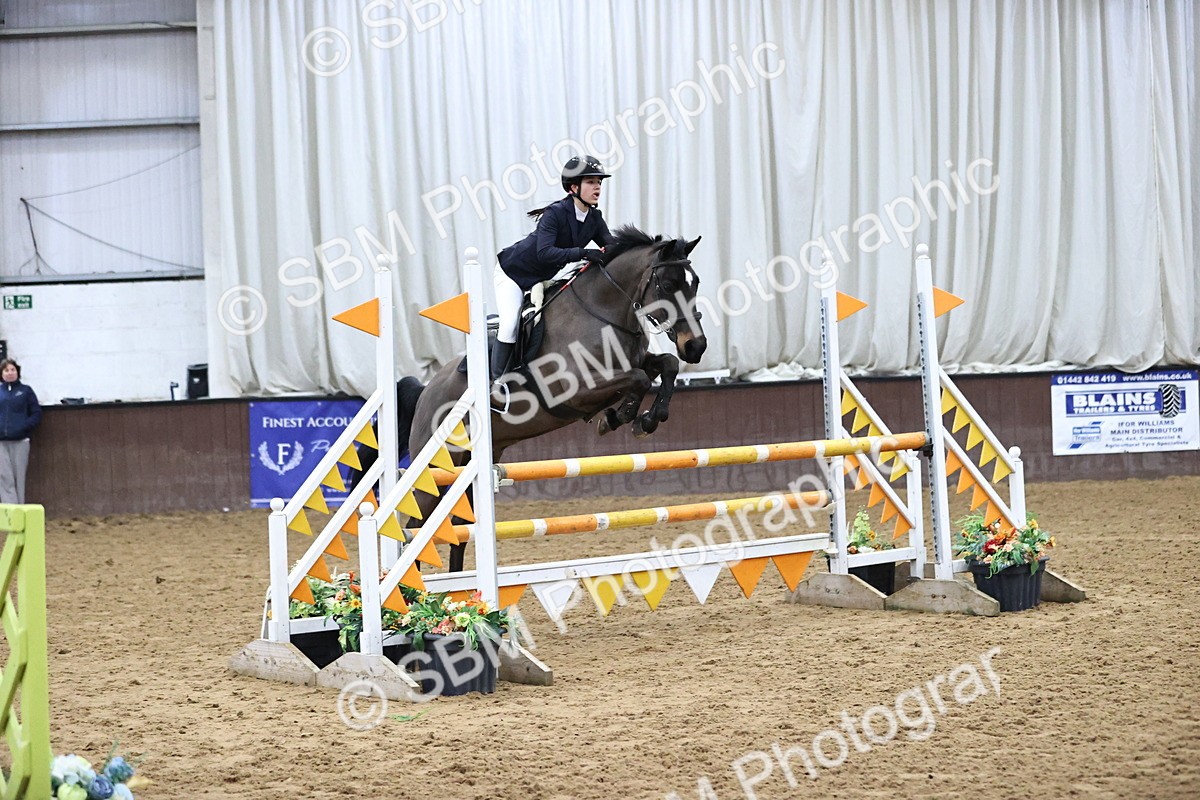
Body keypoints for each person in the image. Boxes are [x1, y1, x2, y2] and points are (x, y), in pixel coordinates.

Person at [492, 154, 613, 379]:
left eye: (599, 182)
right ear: (573, 188)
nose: (597, 187)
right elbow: (545, 252)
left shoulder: (594, 218)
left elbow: (612, 247)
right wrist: (584, 253)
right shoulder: (555, 213)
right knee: (509, 325)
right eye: (591, 182)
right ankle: (496, 383)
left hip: (541, 279)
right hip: (513, 275)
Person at [0, 359, 41, 504]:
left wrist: (24, 427)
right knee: (4, 478)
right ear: (2, 374)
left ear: (17, 372)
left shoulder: (26, 391)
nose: (10, 373)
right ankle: (11, 514)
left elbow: (36, 413)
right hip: (1, 442)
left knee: (19, 478)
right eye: (6, 370)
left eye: (13, 370)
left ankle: (21, 510)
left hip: (20, 441)